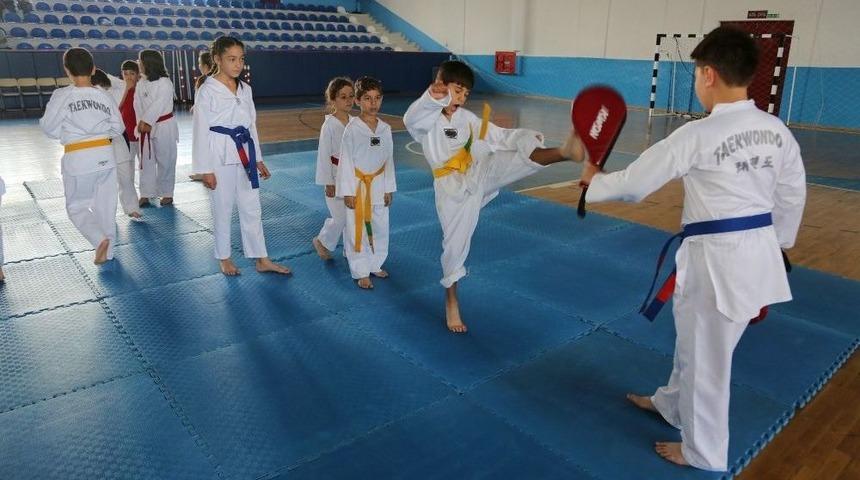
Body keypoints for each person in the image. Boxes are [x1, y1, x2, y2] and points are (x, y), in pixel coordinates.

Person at [579, 26, 806, 471]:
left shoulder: (698, 134)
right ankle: (671, 406)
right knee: (698, 345)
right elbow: (792, 195)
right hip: (757, 258)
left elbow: (637, 184)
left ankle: (703, 452)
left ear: (707, 75)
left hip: (716, 263)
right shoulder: (776, 130)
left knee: (708, 363)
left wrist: (594, 183)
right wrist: (777, 245)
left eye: (696, 74)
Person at [403, 60, 583, 332]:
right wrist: (431, 98)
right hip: (452, 189)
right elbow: (411, 119)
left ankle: (564, 152)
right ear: (442, 86)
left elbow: (499, 136)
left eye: (465, 93)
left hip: (481, 170)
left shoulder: (469, 120)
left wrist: (524, 138)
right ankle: (451, 300)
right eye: (457, 90)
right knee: (454, 245)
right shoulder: (427, 120)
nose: (461, 98)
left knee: (513, 154)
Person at [192, 36, 291, 276]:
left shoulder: (246, 89)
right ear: (217, 59)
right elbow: (199, 130)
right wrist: (205, 168)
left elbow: (251, 125)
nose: (238, 65)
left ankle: (261, 258)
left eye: (241, 59)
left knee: (252, 208)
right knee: (222, 207)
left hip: (245, 152)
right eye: (231, 59)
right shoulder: (207, 90)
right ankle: (224, 257)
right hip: (219, 154)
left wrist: (257, 157)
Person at [40, 48, 124, 265]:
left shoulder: (62, 95)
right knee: (106, 205)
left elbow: (49, 128)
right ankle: (110, 250)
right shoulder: (103, 95)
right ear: (94, 69)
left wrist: (68, 135)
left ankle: (99, 240)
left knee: (77, 206)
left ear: (67, 71)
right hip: (106, 154)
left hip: (78, 156)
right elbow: (119, 126)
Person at [336, 76, 395, 289]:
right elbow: (345, 163)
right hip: (357, 185)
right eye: (368, 99)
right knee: (355, 227)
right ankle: (360, 269)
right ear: (358, 101)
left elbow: (389, 160)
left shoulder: (385, 129)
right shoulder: (352, 129)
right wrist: (347, 192)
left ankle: (375, 262)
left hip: (379, 184)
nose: (373, 104)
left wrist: (389, 187)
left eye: (377, 98)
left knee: (380, 225)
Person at [312, 76, 354, 261]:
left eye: (351, 96)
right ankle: (322, 241)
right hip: (335, 176)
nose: (348, 100)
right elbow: (323, 155)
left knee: (352, 216)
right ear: (333, 99)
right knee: (340, 218)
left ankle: (351, 249)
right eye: (343, 97)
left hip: (354, 176)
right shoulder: (329, 125)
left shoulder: (355, 122)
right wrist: (327, 182)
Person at [91, 68, 140, 218]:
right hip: (99, 143)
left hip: (116, 139)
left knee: (124, 178)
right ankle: (104, 211)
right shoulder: (88, 97)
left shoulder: (112, 93)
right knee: (104, 180)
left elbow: (118, 125)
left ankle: (131, 208)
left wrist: (96, 73)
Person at [134, 49, 178, 207]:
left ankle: (167, 193)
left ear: (149, 63)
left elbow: (159, 104)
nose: (138, 63)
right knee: (145, 161)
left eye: (140, 61)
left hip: (164, 125)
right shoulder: (141, 83)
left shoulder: (165, 82)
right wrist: (140, 122)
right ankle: (146, 193)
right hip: (145, 127)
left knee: (166, 160)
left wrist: (147, 121)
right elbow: (137, 105)